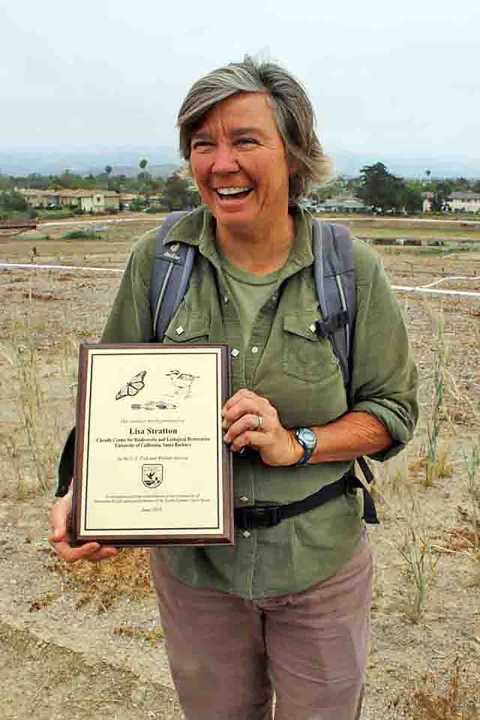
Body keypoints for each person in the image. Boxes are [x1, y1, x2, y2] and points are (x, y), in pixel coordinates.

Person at [50, 56, 418, 719]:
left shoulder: (348, 270)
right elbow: (110, 406)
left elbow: (392, 413)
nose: (222, 164)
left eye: (245, 140)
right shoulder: (159, 262)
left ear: (294, 154)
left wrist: (297, 442)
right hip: (197, 578)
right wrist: (80, 494)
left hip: (317, 567)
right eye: (203, 144)